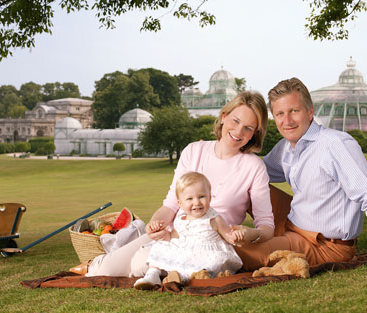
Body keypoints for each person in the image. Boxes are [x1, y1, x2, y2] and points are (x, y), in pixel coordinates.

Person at [234, 77, 367, 269]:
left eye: (294, 111)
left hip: (323, 245)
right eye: (279, 114)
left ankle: (225, 246)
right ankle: (210, 230)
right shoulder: (285, 147)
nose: (287, 120)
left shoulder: (335, 144)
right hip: (292, 220)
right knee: (243, 181)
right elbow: (254, 171)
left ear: (310, 111)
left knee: (240, 255)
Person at [82, 90, 276, 277]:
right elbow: (171, 204)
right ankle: (92, 265)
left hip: (208, 246)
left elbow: (267, 226)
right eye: (235, 121)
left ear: (254, 133)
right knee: (103, 270)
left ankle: (146, 268)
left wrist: (251, 234)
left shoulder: (254, 167)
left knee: (140, 263)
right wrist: (155, 225)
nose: (238, 131)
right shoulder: (193, 151)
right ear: (224, 116)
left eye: (248, 128)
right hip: (173, 236)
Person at [133, 172, 242, 289]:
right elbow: (174, 238)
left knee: (216, 260)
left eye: (201, 197)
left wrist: (235, 236)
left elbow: (228, 236)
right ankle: (152, 274)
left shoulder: (214, 219)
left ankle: (181, 277)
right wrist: (165, 235)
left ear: (210, 198)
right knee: (160, 246)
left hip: (206, 253)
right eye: (190, 198)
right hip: (186, 250)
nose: (197, 202)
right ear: (180, 204)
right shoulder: (181, 219)